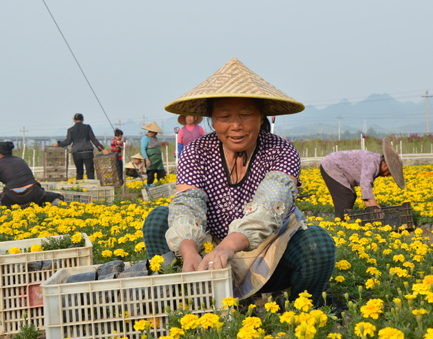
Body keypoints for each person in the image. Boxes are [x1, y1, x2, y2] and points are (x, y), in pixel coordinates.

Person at [143, 57, 335, 306]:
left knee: (317, 244)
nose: (236, 126)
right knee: (158, 219)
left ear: (261, 117)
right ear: (211, 119)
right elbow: (187, 204)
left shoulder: (281, 151)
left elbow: (268, 209)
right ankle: (182, 306)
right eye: (224, 116)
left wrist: (226, 248)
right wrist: (189, 250)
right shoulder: (196, 152)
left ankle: (302, 312)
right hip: (208, 255)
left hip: (268, 251)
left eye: (246, 115)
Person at [319, 138, 405, 221]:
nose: (387, 176)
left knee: (349, 196)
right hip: (331, 166)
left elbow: (365, 193)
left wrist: (371, 209)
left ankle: (344, 221)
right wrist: (374, 205)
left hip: (331, 165)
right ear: (385, 166)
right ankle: (342, 222)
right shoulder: (372, 163)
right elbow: (365, 185)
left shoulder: (375, 162)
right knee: (346, 196)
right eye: (389, 173)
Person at [0, 142, 64, 208]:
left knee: (7, 197)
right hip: (34, 194)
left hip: (12, 198)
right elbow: (23, 184)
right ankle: (55, 206)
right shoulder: (20, 160)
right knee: (57, 197)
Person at [54, 113, 108, 180]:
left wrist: (59, 143)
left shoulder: (71, 130)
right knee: (90, 171)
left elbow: (68, 142)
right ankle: (91, 187)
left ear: (74, 120)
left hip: (76, 153)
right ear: (82, 120)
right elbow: (93, 139)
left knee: (79, 172)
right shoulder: (87, 127)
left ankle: (79, 188)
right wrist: (102, 148)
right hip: (87, 151)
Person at [140, 122, 165, 186]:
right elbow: (143, 149)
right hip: (150, 160)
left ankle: (161, 186)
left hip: (158, 161)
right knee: (151, 176)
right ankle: (149, 188)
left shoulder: (155, 138)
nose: (156, 134)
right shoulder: (145, 138)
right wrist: (147, 159)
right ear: (151, 131)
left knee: (162, 174)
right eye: (155, 132)